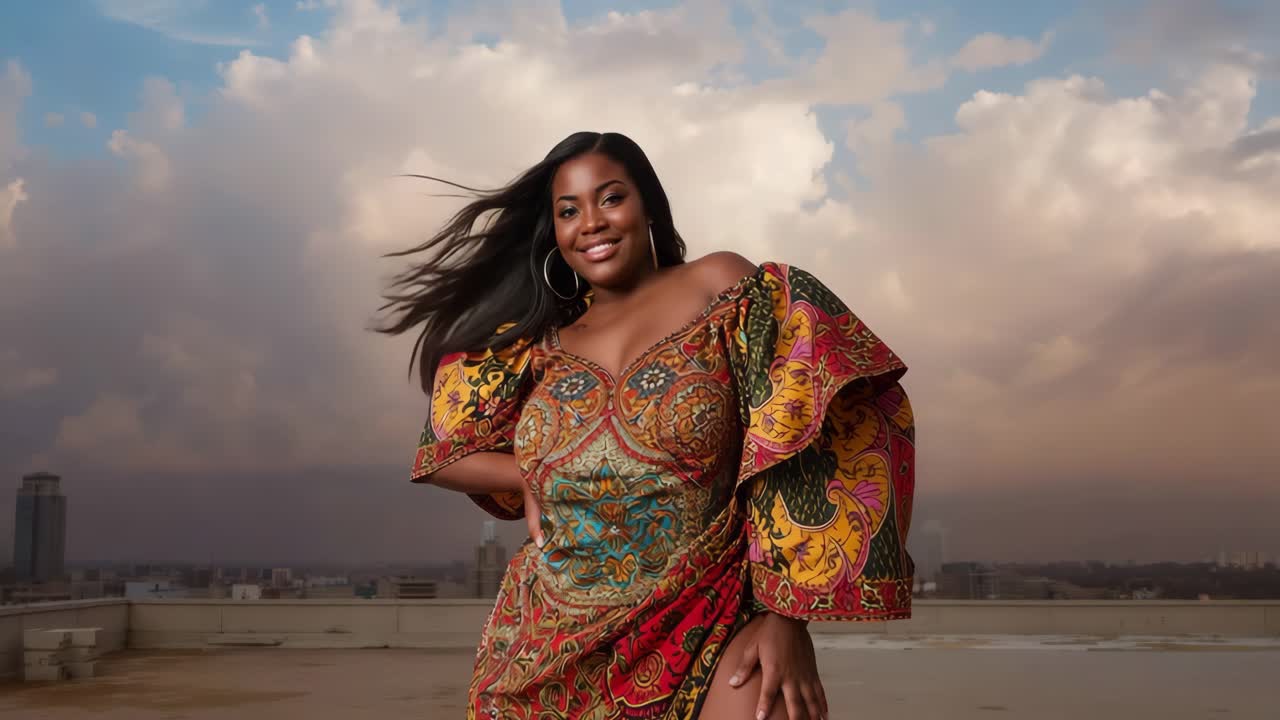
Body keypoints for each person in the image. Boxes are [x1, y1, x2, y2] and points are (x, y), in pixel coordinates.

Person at [378, 131, 916, 720]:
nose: (591, 223)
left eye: (611, 198)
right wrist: (529, 474)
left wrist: (787, 617)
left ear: (648, 205)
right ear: (555, 234)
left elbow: (815, 425)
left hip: (709, 613)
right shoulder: (539, 344)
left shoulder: (723, 287)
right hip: (545, 646)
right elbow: (444, 452)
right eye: (568, 211)